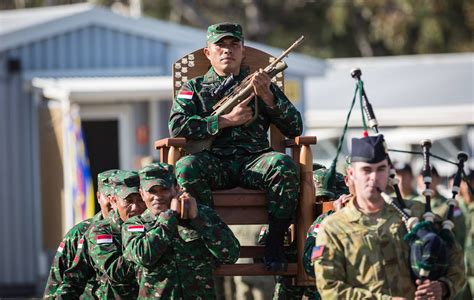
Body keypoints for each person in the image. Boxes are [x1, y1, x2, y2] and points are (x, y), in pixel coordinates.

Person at [168, 22, 303, 271]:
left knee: (283, 165)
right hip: (214, 162)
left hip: (254, 162)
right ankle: (210, 242)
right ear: (208, 52)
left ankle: (274, 245)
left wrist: (268, 98)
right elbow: (177, 127)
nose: (227, 50)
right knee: (186, 167)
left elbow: (295, 128)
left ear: (242, 50)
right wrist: (224, 121)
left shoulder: (260, 83)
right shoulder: (194, 89)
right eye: (220, 45)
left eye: (234, 45)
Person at [313, 135, 466, 299]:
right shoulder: (333, 227)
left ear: (389, 173)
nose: (373, 177)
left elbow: (455, 259)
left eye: (380, 169)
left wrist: (443, 287)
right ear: (351, 174)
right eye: (366, 170)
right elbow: (329, 288)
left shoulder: (417, 213)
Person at [122, 163, 240, 299]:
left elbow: (231, 254)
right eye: (152, 191)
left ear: (176, 189)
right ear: (142, 193)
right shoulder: (135, 225)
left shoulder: (202, 214)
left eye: (164, 189)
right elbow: (144, 256)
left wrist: (198, 220)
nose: (158, 196)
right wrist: (169, 216)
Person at [71, 170, 146, 298]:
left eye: (140, 200)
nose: (136, 207)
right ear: (113, 201)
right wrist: (146, 247)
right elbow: (116, 272)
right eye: (129, 201)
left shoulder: (154, 225)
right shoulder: (100, 230)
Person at [44, 169, 118, 299]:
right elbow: (56, 284)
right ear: (98, 197)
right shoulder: (80, 233)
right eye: (109, 196)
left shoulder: (138, 232)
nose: (114, 202)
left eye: (119, 197)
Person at [416, 165, 467, 248]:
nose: (428, 180)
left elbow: (460, 232)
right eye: (424, 176)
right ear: (418, 180)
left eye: (432, 176)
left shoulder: (450, 204)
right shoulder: (414, 203)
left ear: (438, 179)